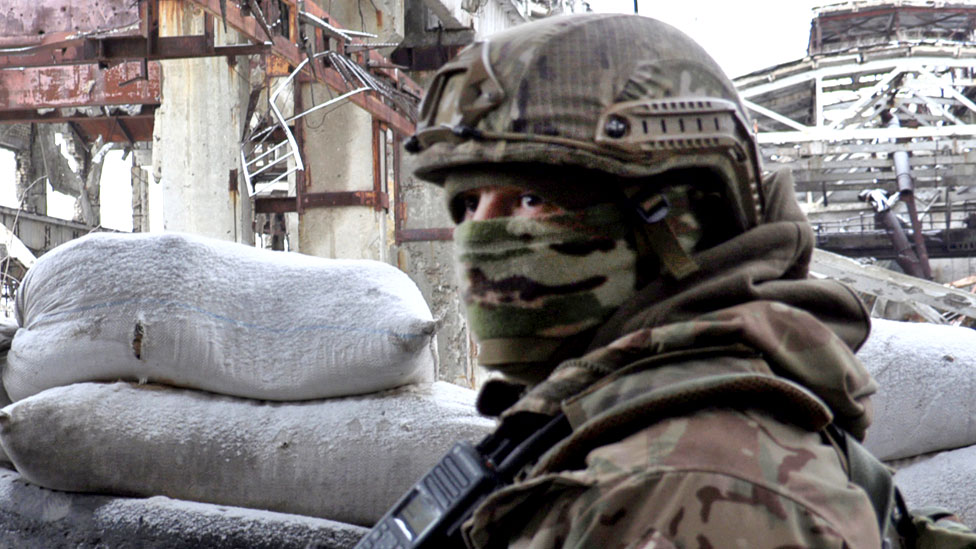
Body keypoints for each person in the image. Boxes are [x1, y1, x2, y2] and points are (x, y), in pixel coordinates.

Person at [405, 13, 881, 548]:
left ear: (678, 221)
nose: (482, 236)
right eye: (468, 205)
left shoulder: (698, 486)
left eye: (531, 200)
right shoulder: (604, 433)